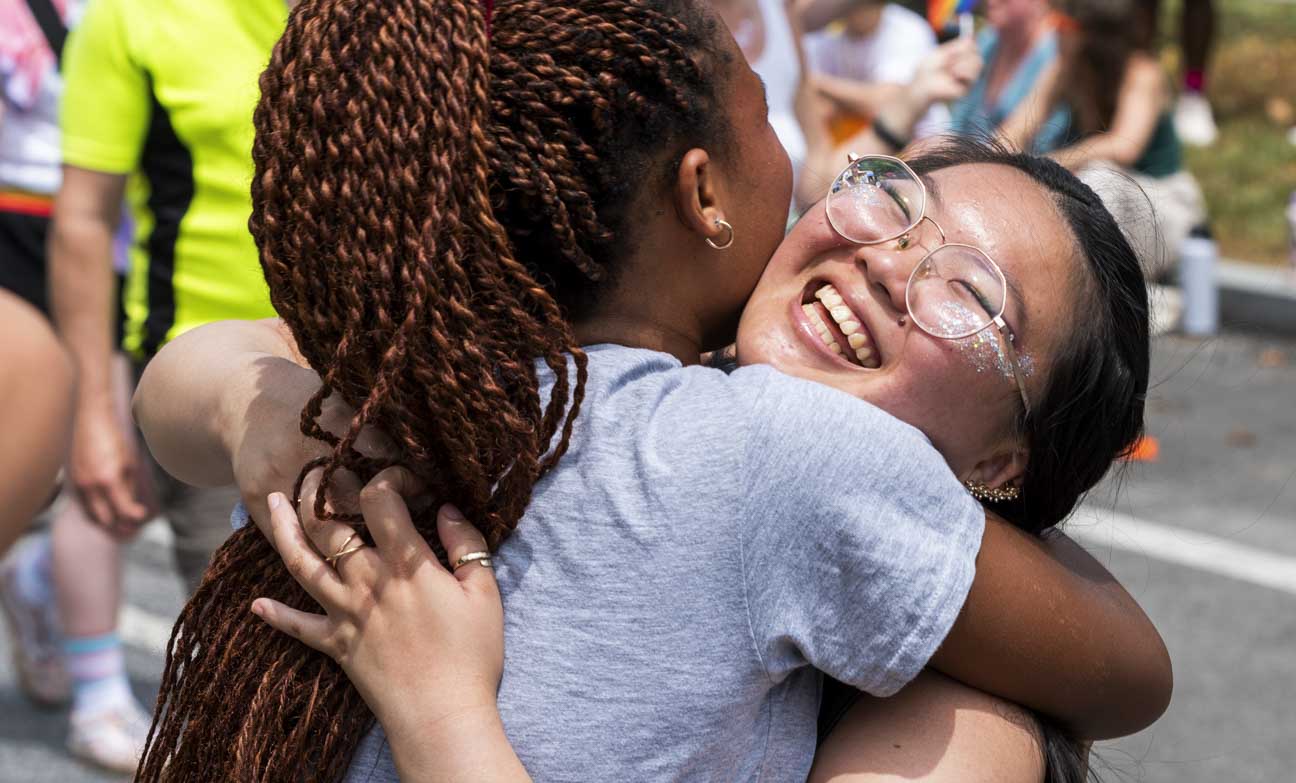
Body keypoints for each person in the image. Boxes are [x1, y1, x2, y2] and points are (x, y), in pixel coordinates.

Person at [133, 2, 1166, 781]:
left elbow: (183, 378)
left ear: (1006, 459)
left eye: (974, 295)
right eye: (893, 197)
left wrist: (258, 405)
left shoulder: (418, 369)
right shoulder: (776, 453)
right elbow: (1133, 675)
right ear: (702, 192)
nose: (894, 260)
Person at [22, 0, 288, 771]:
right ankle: (93, 677)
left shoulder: (368, 18)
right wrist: (93, 417)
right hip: (211, 383)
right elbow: (81, 221)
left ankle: (41, 576)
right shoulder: (131, 20)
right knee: (256, 678)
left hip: (368, 370)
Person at [1010, 0, 1206, 281]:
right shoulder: (1066, 69)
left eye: (1059, 24)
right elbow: (1018, 127)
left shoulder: (1141, 72)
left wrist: (1051, 162)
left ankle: (1106, 293)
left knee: (1099, 178)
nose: (1051, 33)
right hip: (1110, 197)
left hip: (1164, 205)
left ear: (1091, 34)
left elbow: (1123, 146)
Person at [948, 0, 1070, 153]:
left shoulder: (1059, 52)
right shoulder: (985, 43)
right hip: (965, 163)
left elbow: (1033, 146)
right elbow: (955, 128)